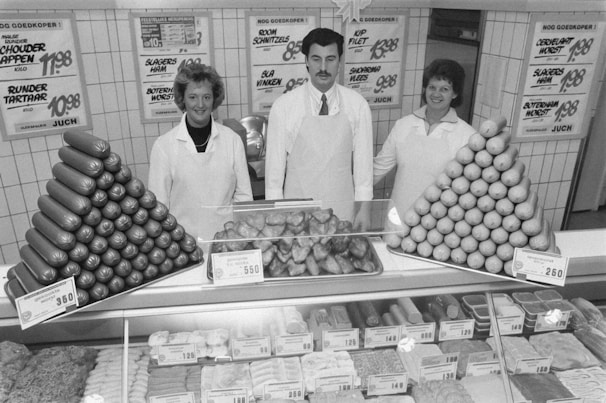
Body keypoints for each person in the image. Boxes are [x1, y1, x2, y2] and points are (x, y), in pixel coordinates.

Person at [264, 27, 374, 220]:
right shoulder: (284, 107)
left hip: (343, 212)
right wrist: (277, 216)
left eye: (330, 59)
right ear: (306, 61)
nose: (323, 67)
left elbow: (363, 168)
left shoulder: (358, 105)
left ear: (340, 61)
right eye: (316, 59)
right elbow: (274, 175)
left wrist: (363, 210)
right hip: (297, 215)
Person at [148, 63, 252, 242]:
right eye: (193, 97)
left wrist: (238, 239)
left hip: (227, 241)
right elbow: (159, 208)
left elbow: (244, 198)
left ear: (214, 99)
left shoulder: (232, 140)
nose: (200, 104)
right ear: (182, 99)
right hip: (182, 245)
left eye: (206, 97)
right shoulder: (164, 146)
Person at [373, 59, 477, 220]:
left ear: (455, 93)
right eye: (432, 87)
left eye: (445, 89)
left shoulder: (467, 136)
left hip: (438, 223)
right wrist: (347, 187)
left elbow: (469, 187)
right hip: (398, 216)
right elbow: (379, 167)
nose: (436, 94)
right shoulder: (404, 126)